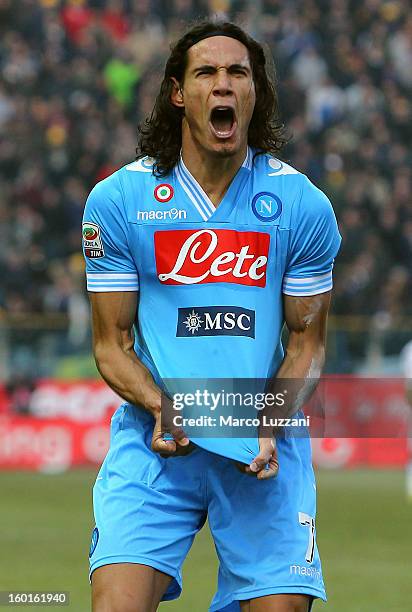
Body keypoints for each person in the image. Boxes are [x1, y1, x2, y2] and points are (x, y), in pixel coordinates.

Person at [82, 20, 341, 612]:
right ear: (179, 93)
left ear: (254, 94)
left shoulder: (301, 205)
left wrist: (271, 421)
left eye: (238, 74)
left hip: (262, 447)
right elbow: (111, 343)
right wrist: (158, 405)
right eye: (207, 73)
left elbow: (307, 343)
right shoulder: (121, 201)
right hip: (157, 441)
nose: (223, 85)